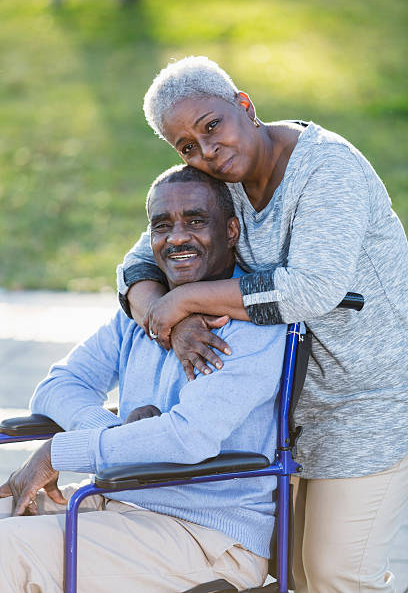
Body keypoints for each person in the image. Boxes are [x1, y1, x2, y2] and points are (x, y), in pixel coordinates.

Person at [116, 56, 408, 593]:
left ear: (244, 105)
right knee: (289, 574)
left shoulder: (327, 170)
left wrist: (192, 300)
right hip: (278, 408)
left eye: (212, 126)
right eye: (186, 146)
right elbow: (138, 265)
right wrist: (168, 319)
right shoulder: (216, 178)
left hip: (366, 399)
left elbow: (310, 288)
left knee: (339, 574)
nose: (206, 151)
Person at [0, 165, 287, 592]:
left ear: (231, 230)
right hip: (120, 500)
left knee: (6, 553)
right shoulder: (142, 314)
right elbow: (58, 386)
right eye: (162, 225)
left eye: (195, 221)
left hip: (206, 535)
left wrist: (61, 451)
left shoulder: (250, 325)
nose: (176, 237)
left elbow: (188, 438)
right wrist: (112, 432)